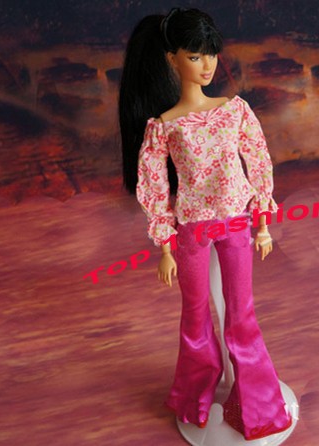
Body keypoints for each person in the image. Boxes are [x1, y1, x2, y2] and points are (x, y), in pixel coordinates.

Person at [119, 7, 292, 441]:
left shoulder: (234, 110)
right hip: (192, 232)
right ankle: (196, 399)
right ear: (172, 59)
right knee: (195, 316)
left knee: (241, 313)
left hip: (235, 225)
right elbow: (155, 187)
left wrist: (263, 223)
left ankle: (257, 405)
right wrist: (164, 247)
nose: (207, 65)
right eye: (194, 56)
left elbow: (258, 162)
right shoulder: (163, 127)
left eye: (211, 53)